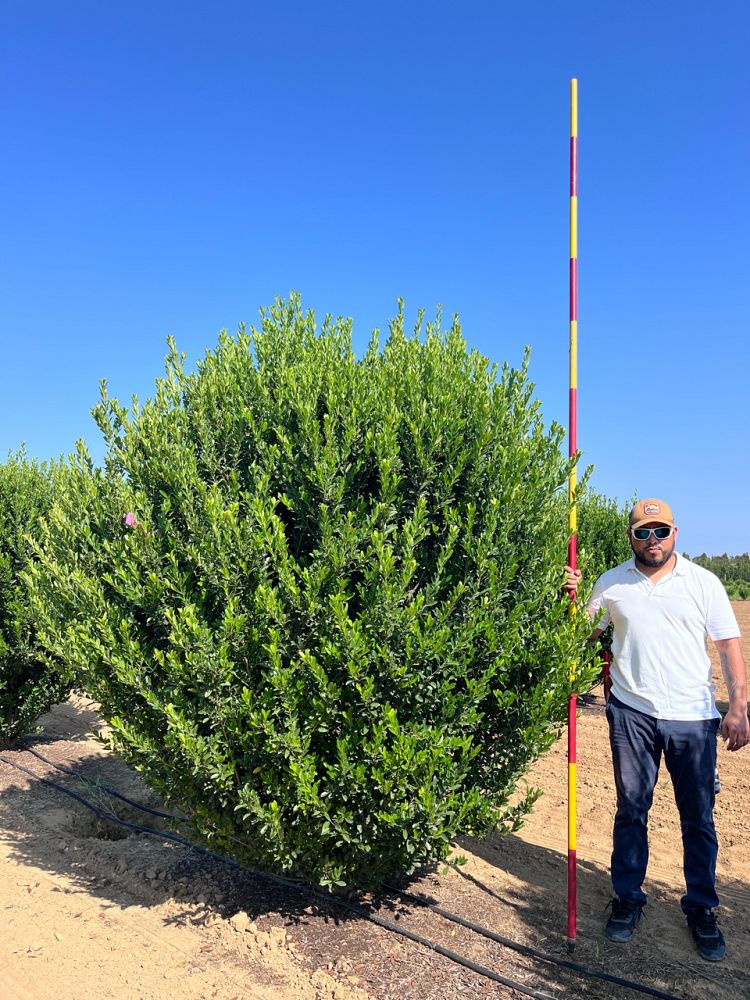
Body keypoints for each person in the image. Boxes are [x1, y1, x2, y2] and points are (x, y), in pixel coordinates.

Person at [564, 498, 749, 962]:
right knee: (631, 810)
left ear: (675, 533)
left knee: (699, 817)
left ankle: (702, 907)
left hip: (693, 717)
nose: (653, 541)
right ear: (631, 536)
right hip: (631, 715)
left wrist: (739, 706)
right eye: (643, 532)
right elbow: (579, 636)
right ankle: (627, 899)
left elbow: (728, 645)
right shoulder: (611, 583)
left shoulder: (703, 583)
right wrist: (571, 596)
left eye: (660, 531)